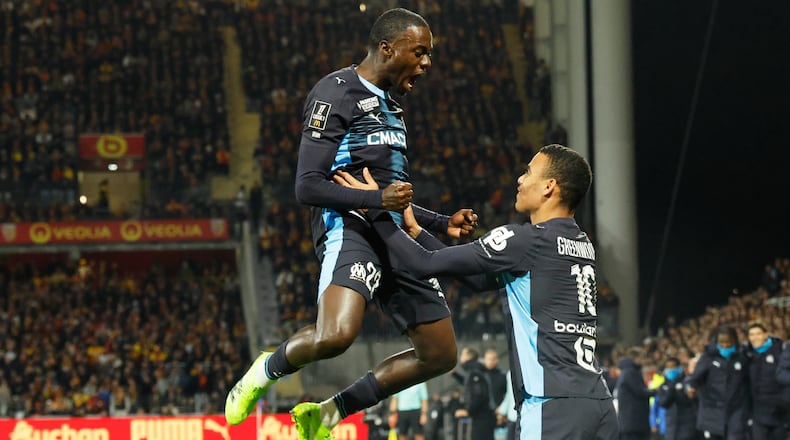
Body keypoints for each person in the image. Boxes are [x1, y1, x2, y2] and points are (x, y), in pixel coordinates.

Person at [223, 8, 478, 440]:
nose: (427, 63)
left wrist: (440, 222)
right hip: (350, 228)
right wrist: (374, 198)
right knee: (336, 335)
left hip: (392, 231)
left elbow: (393, 193)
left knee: (439, 354)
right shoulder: (335, 92)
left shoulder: (392, 106)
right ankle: (265, 368)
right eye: (420, 53)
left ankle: (330, 412)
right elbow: (307, 186)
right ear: (387, 48)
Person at [334, 143, 619, 439]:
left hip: (553, 406)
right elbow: (478, 281)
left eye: (528, 172)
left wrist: (376, 212)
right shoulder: (581, 243)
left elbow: (422, 264)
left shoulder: (525, 240)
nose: (520, 180)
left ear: (549, 186)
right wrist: (418, 233)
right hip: (597, 404)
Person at [685, 325, 749, 440]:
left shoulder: (742, 357)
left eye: (729, 342)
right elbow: (694, 379)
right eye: (722, 342)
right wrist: (690, 388)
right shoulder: (708, 357)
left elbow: (748, 381)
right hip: (712, 411)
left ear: (735, 341)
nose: (725, 345)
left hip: (736, 411)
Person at [744, 320, 786, 440]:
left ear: (766, 335)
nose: (755, 338)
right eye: (751, 335)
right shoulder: (747, 355)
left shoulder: (779, 352)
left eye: (758, 334)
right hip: (758, 412)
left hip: (779, 412)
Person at [614, 347, 656, 440]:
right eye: (642, 358)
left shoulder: (627, 371)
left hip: (631, 423)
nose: (643, 361)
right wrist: (656, 391)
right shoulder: (630, 372)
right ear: (636, 358)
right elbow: (639, 392)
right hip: (633, 424)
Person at [655, 357, 697, 440]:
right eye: (668, 367)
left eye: (673, 367)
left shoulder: (687, 381)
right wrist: (672, 387)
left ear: (679, 368)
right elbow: (663, 403)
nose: (671, 370)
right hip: (671, 427)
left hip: (688, 425)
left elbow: (690, 399)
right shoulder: (663, 386)